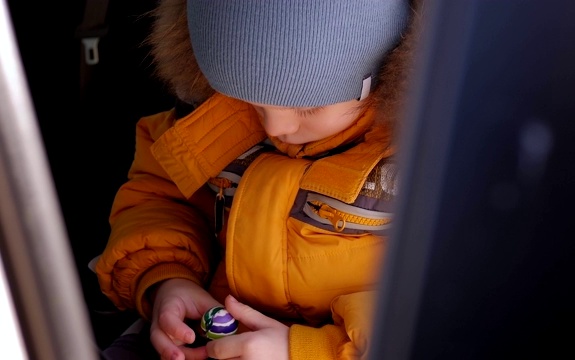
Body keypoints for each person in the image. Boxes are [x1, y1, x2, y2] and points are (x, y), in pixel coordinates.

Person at [95, 0, 422, 359]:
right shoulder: (208, 119)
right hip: (206, 337)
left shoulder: (423, 162)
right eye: (250, 101)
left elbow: (448, 300)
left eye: (307, 106)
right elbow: (159, 198)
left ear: (382, 73)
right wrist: (167, 279)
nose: (275, 126)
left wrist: (309, 351)